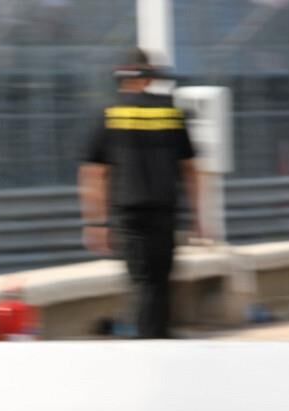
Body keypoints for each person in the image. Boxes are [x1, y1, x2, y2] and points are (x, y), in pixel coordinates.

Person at [79, 48, 202, 339]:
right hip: (164, 212)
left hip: (128, 214)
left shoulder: (109, 116)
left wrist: (95, 223)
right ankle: (156, 338)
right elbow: (190, 172)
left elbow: (94, 174)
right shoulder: (172, 115)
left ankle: (150, 342)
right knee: (160, 281)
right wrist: (199, 217)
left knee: (141, 281)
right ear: (148, 77)